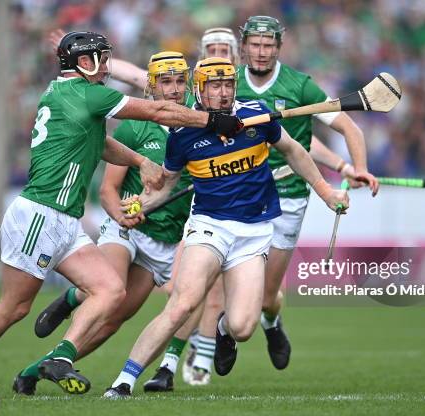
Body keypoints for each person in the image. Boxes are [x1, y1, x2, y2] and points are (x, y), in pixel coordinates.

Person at [0, 31, 242, 397]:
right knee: (14, 307)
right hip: (40, 213)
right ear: (84, 62)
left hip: (66, 219)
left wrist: (138, 160)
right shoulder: (86, 93)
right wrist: (212, 121)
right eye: (101, 58)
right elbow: (157, 109)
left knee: (110, 291)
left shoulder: (70, 95)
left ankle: (61, 357)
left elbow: (100, 144)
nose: (107, 67)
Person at [102, 57, 349, 398]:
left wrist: (325, 191)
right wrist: (138, 206)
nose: (223, 92)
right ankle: (123, 381)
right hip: (209, 227)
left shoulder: (257, 116)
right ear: (200, 90)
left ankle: (222, 328)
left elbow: (293, 151)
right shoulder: (183, 134)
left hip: (254, 231)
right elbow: (167, 185)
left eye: (228, 85)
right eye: (215, 86)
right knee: (183, 303)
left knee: (243, 327)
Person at [14, 51, 196, 395]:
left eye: (179, 81)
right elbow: (109, 190)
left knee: (112, 321)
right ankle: (74, 296)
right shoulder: (135, 128)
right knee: (110, 289)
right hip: (125, 228)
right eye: (165, 82)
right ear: (151, 88)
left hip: (165, 239)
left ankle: (35, 370)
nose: (173, 89)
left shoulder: (197, 128)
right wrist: (122, 215)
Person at [231, 16, 379, 371]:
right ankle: (221, 332)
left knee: (266, 297)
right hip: (236, 195)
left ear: (278, 48)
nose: (262, 52)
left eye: (269, 46)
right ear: (244, 47)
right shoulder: (226, 84)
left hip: (288, 196)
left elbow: (348, 126)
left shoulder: (300, 87)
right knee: (230, 283)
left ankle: (272, 322)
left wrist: (356, 166)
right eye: (255, 45)